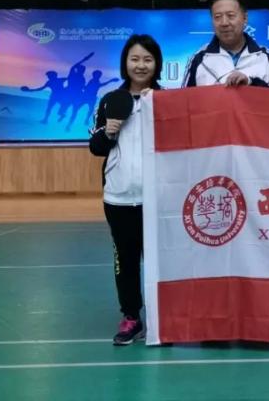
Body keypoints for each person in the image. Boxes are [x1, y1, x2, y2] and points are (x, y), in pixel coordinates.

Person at [89, 34, 163, 345]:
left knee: (160, 262)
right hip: (118, 198)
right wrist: (108, 133)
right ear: (125, 63)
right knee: (126, 261)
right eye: (135, 59)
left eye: (147, 59)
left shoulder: (164, 100)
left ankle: (162, 319)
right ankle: (131, 316)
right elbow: (96, 147)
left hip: (157, 198)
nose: (140, 65)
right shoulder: (109, 100)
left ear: (157, 64)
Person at [182, 0, 269, 88]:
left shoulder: (265, 57)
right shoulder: (199, 59)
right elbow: (185, 98)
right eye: (217, 17)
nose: (224, 23)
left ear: (245, 18)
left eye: (230, 15)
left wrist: (251, 82)